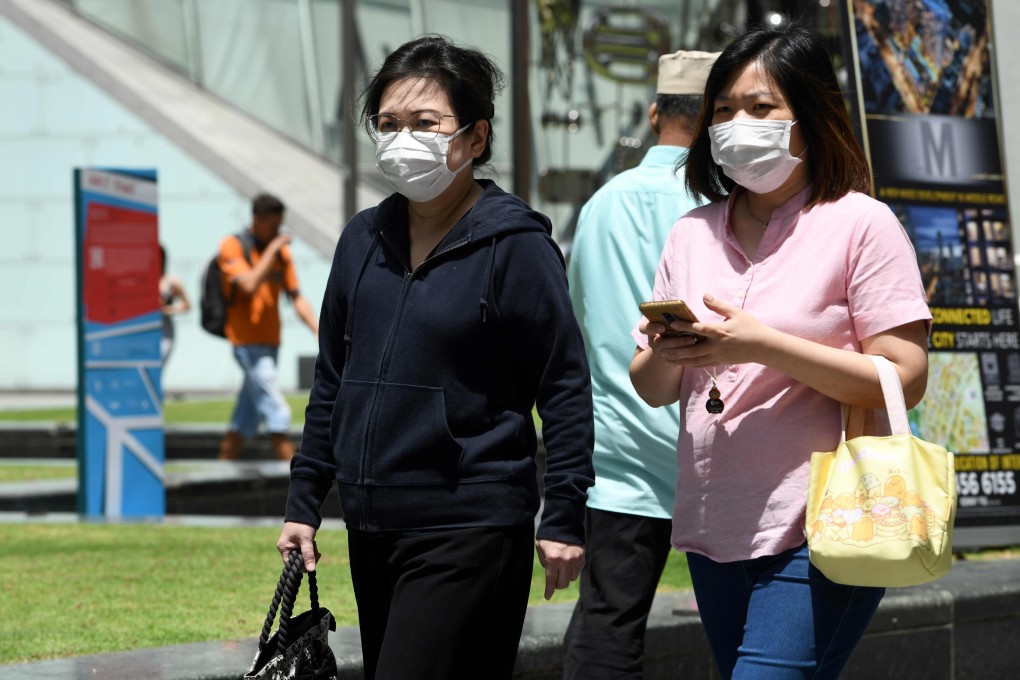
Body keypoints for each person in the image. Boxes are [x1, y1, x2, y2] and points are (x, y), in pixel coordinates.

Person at [276, 35, 595, 680]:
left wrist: (563, 513)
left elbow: (563, 385)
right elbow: (333, 380)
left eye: (425, 124)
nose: (403, 140)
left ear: (476, 139)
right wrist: (303, 503)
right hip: (372, 523)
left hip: (470, 521)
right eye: (388, 125)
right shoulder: (362, 238)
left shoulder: (515, 245)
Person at [629, 23, 931, 680]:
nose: (739, 124)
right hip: (715, 527)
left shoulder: (860, 224)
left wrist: (763, 345)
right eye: (725, 111)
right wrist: (672, 349)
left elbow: (903, 378)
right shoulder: (691, 233)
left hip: (823, 521)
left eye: (761, 107)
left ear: (811, 114)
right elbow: (651, 387)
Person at [562, 49, 719, 679]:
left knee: (607, 626)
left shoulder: (600, 204)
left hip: (621, 452)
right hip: (717, 448)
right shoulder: (729, 204)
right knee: (745, 630)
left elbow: (578, 317)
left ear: (655, 113)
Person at [216, 193, 318, 462]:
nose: (277, 232)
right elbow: (248, 285)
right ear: (256, 219)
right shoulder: (232, 246)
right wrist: (273, 249)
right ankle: (302, 482)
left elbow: (296, 295)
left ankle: (221, 469)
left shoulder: (280, 254)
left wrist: (318, 330)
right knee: (277, 412)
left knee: (244, 420)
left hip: (271, 342)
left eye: (279, 226)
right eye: (272, 226)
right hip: (245, 343)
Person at [158, 243, 191, 365]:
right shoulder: (143, 281)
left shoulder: (171, 281)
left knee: (160, 363)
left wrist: (168, 310)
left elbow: (187, 305)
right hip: (145, 328)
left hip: (165, 331)